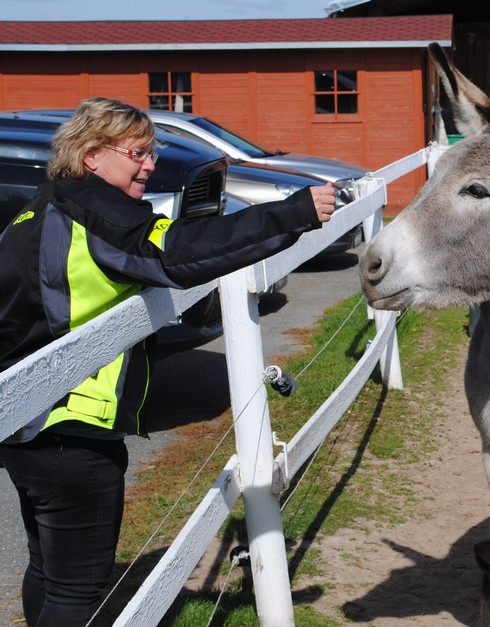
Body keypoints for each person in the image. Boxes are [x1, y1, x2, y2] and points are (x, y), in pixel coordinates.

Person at [0, 97, 336, 626]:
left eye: (152, 152)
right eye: (138, 152)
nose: (150, 164)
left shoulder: (41, 207)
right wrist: (292, 212)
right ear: (92, 156)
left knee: (49, 570)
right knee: (79, 592)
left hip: (26, 426)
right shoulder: (96, 209)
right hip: (73, 427)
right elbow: (177, 252)